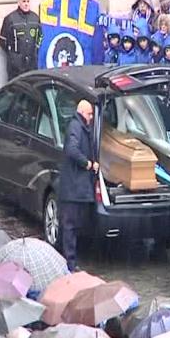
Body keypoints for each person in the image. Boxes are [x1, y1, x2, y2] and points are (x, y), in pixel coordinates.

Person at [58, 100, 98, 272]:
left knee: (73, 226)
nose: (91, 118)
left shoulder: (80, 127)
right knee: (70, 226)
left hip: (76, 189)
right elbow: (72, 150)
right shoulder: (76, 127)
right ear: (82, 112)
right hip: (73, 190)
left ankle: (71, 261)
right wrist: (88, 163)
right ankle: (69, 263)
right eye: (89, 114)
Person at [0, 0, 42, 80]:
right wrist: (13, 55)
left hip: (31, 64)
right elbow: (2, 41)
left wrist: (34, 51)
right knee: (15, 90)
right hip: (15, 67)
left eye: (28, 1)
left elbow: (40, 37)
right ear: (19, 3)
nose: (26, 4)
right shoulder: (10, 19)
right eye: (24, 1)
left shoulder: (35, 18)